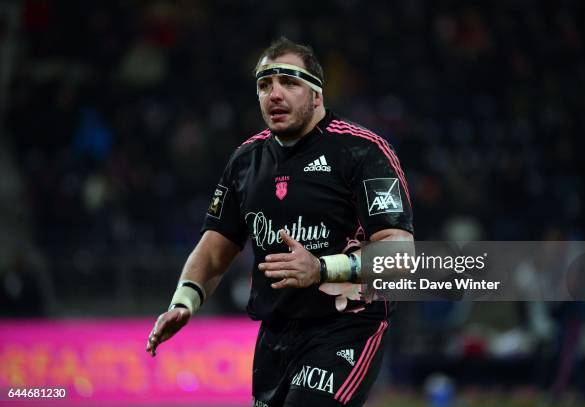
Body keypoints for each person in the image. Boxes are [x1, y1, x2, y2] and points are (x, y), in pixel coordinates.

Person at [146, 37, 414, 406]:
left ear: (317, 95)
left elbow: (399, 255)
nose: (274, 94)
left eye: (289, 82)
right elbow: (214, 247)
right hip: (276, 334)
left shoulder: (363, 151)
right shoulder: (245, 161)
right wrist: (183, 301)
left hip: (346, 326)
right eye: (264, 85)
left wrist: (320, 269)